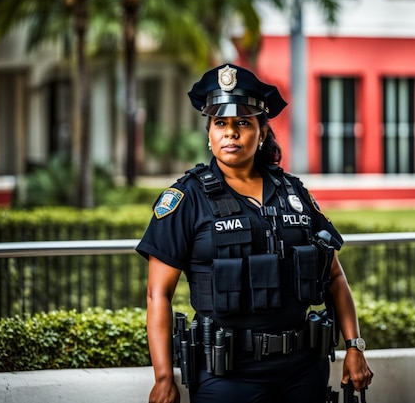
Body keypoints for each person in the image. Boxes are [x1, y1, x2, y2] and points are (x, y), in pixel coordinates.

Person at [136, 63, 373, 403]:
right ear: (209, 133)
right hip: (228, 375)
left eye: (243, 123)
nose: (230, 133)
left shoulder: (294, 193)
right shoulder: (186, 199)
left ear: (262, 133)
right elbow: (157, 295)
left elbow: (334, 276)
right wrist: (163, 377)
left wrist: (354, 346)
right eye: (220, 123)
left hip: (303, 369)